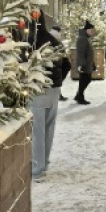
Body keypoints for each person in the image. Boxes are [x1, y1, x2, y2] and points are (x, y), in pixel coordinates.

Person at [27, 13, 64, 178]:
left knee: (37, 130)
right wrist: (57, 80)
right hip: (54, 90)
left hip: (38, 88)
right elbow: (66, 63)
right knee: (49, 127)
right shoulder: (53, 40)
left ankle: (37, 169)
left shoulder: (30, 42)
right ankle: (44, 163)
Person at [74, 20, 96, 105]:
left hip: (87, 64)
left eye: (92, 30)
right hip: (84, 65)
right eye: (91, 30)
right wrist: (81, 65)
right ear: (86, 30)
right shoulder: (82, 39)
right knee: (84, 80)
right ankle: (80, 97)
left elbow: (89, 53)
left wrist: (92, 64)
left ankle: (78, 95)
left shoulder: (86, 38)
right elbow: (81, 53)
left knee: (86, 80)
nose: (92, 32)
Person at [49, 25, 72, 101]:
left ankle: (59, 94)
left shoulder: (51, 39)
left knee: (57, 80)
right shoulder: (55, 40)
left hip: (58, 63)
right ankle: (58, 95)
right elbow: (61, 52)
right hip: (58, 64)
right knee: (57, 80)